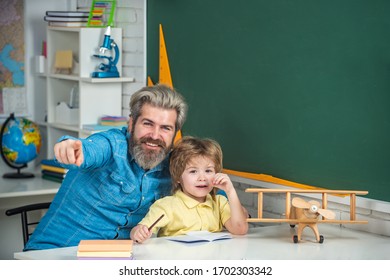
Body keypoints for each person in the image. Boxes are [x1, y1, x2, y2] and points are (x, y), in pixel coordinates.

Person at [24, 84, 188, 250]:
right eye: (147, 124)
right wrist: (70, 148)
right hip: (56, 253)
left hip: (116, 260)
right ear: (131, 124)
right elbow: (90, 149)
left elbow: (206, 184)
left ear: (175, 133)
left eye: (165, 128)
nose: (154, 135)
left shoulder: (173, 166)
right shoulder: (112, 144)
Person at [130, 136, 248, 243]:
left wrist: (230, 191)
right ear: (178, 177)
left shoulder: (219, 203)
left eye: (208, 171)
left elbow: (240, 229)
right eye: (193, 171)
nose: (202, 178)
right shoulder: (167, 205)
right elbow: (138, 230)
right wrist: (138, 232)